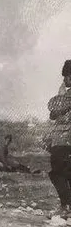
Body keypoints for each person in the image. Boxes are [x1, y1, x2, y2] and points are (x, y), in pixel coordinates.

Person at [46, 59, 71, 218]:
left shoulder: (67, 95)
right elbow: (53, 113)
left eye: (67, 77)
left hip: (64, 140)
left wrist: (61, 94)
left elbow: (54, 108)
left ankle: (66, 206)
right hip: (63, 139)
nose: (64, 80)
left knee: (57, 173)